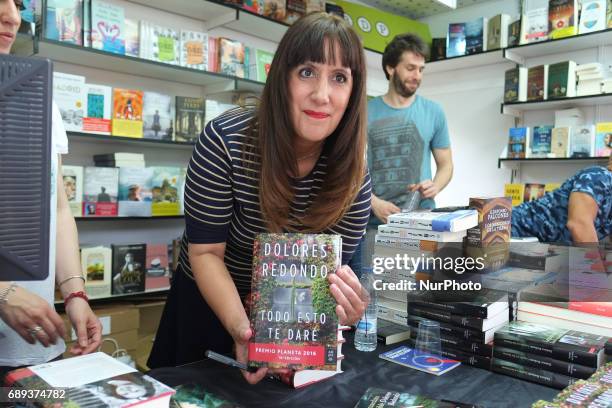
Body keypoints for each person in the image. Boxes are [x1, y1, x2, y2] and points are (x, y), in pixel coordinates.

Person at [148, 12, 371, 384]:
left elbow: (324, 279)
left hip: (291, 322)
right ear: (282, 77)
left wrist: (343, 305)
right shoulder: (226, 140)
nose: (321, 94)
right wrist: (243, 331)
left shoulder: (355, 175)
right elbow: (205, 254)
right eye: (307, 72)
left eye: (339, 78)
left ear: (353, 93)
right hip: (208, 306)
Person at [0, 0, 101, 379]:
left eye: (18, 3)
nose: (12, 15)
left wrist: (74, 294)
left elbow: (56, 208)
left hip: (36, 348)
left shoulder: (37, 99)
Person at [349, 33, 454, 276]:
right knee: (372, 300)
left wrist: (435, 186)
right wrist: (372, 202)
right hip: (374, 224)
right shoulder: (364, 111)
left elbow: (446, 165)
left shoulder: (434, 112)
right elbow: (348, 166)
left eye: (421, 69)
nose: (416, 75)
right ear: (390, 68)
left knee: (417, 296)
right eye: (410, 68)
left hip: (422, 223)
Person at [511, 156, 612, 245]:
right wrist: (596, 265)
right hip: (515, 231)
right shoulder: (599, 177)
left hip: (543, 249)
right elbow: (579, 224)